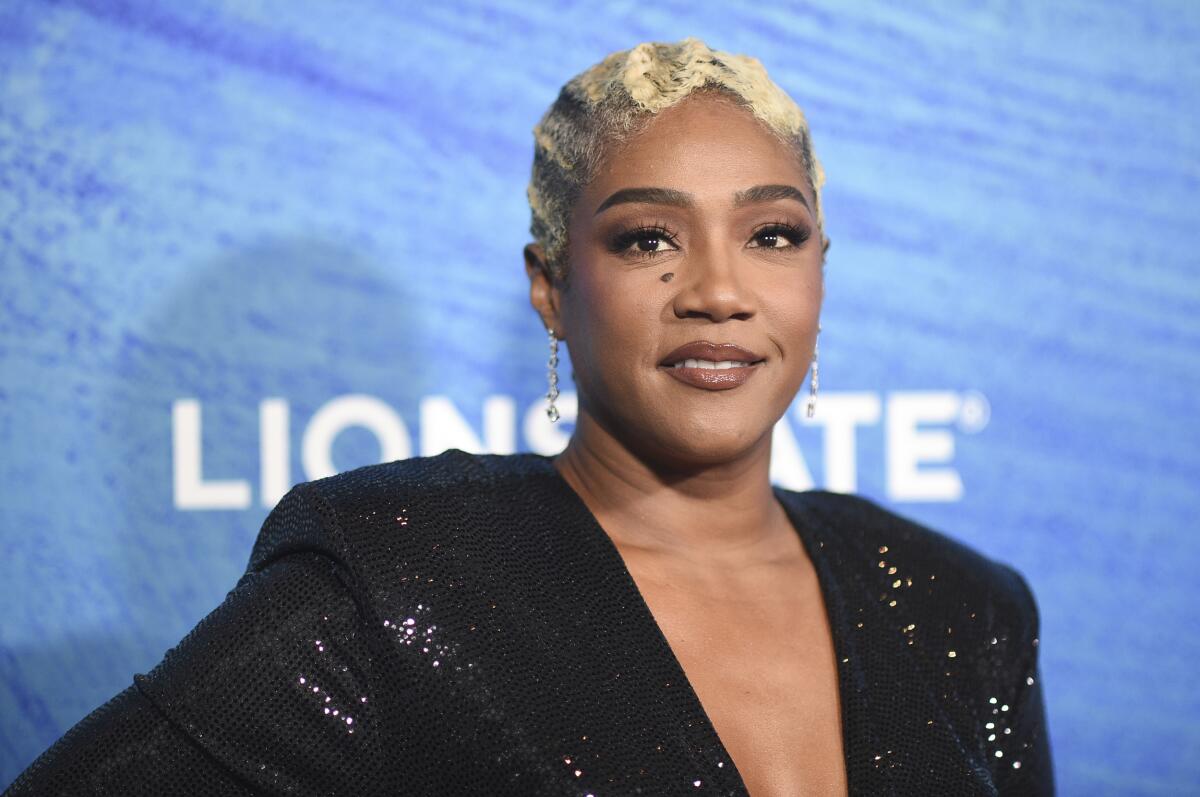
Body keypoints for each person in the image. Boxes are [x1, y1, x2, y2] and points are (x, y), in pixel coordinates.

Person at [4, 38, 1052, 796]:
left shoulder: (965, 606)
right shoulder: (402, 575)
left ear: (820, 271)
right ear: (551, 285)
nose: (720, 289)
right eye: (649, 239)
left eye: (773, 234)